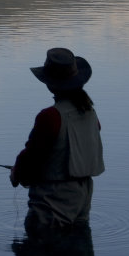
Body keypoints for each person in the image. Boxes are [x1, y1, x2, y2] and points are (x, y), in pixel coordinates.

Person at [10, 47, 105, 229]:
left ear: (49, 83)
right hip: (83, 195)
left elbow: (32, 156)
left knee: (40, 252)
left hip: (53, 200)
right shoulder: (90, 113)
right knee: (77, 252)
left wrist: (17, 173)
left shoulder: (50, 116)